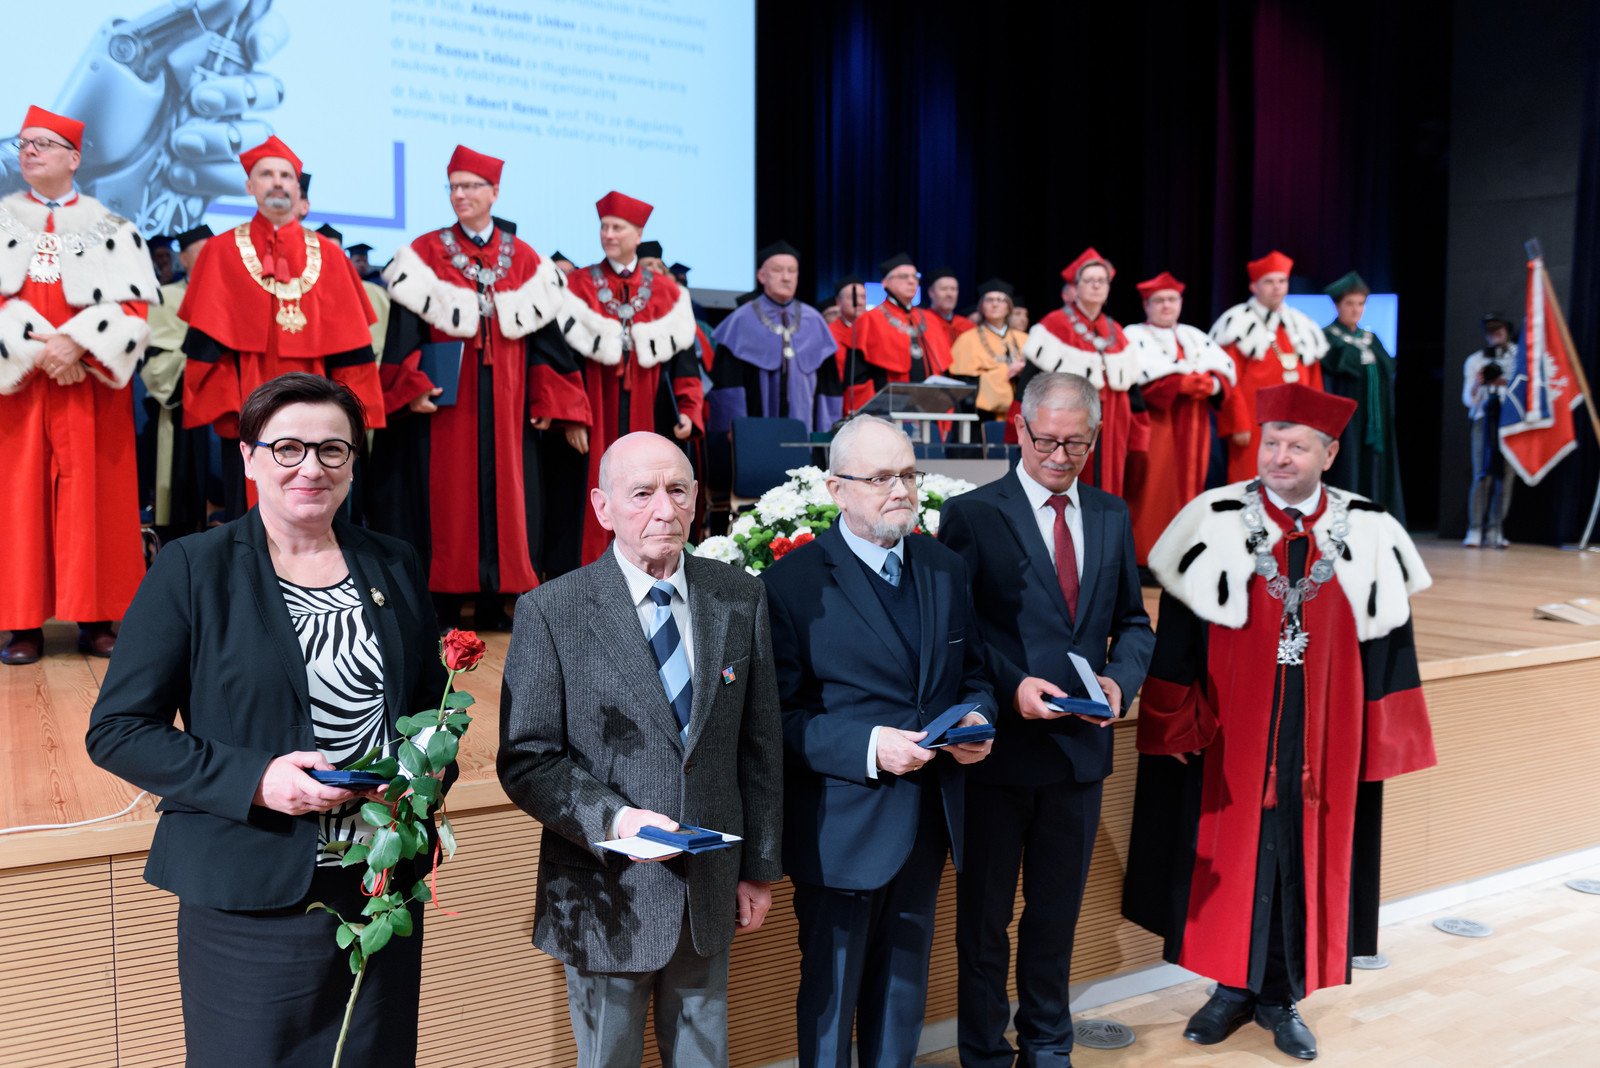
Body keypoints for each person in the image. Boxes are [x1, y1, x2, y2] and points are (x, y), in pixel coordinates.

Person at [85, 373, 451, 1066]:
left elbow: (433, 710)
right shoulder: (193, 567)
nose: (311, 468)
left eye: (332, 450)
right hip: (251, 898)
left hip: (377, 887)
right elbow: (118, 731)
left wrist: (418, 778)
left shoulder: (392, 561)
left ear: (352, 462)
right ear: (249, 458)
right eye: (287, 448)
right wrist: (258, 780)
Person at [1123, 383, 1435, 1062]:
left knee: (1301, 854)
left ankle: (1280, 996)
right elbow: (1177, 632)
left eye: (1297, 447)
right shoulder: (1213, 520)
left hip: (1326, 734)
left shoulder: (1369, 530)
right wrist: (1172, 717)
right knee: (1231, 852)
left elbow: (1391, 644)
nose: (1279, 457)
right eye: (1271, 443)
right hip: (1233, 731)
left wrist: (1384, 737)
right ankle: (1229, 988)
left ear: (1330, 453)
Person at [497, 431, 783, 1067]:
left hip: (709, 891)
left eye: (678, 490)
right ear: (602, 508)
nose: (664, 509)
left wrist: (759, 869)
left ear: (696, 498)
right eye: (642, 493)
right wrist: (618, 820)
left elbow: (760, 745)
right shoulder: (552, 610)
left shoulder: (738, 595)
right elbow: (528, 760)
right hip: (606, 895)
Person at [762, 415, 997, 1068]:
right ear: (836, 490)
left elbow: (974, 675)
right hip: (841, 831)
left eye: (908, 475)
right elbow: (778, 718)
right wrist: (870, 747)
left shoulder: (945, 567)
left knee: (902, 999)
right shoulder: (790, 586)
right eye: (881, 478)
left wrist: (977, 720)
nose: (901, 490)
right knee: (831, 1005)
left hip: (929, 821)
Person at [939, 372, 1154, 1067]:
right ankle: (983, 1053)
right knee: (984, 923)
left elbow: (1133, 622)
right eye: (1048, 441)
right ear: (1019, 430)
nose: (1060, 457)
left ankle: (1048, 1045)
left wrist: (1121, 682)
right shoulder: (973, 514)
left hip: (1079, 754)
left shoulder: (1112, 513)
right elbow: (960, 630)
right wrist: (1012, 686)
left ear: (1096, 437)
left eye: (1077, 444)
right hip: (998, 753)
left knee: (1056, 917)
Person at [365, 145, 587, 626]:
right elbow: (404, 336)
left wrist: (552, 401)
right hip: (446, 409)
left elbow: (546, 346)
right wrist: (411, 386)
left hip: (510, 411)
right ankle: (443, 599)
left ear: (494, 192)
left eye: (469, 186)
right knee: (447, 499)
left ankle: (495, 601)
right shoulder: (423, 255)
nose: (460, 195)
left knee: (511, 499)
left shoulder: (526, 261)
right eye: (453, 187)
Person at [0, 105, 158, 665]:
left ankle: (96, 618)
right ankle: (21, 623)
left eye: (42, 143)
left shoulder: (112, 227)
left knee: (96, 499)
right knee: (18, 500)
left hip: (90, 387)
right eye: (23, 144)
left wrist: (80, 345)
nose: (29, 151)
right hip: (17, 385)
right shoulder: (1, 221)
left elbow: (135, 309)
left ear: (74, 158)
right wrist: (38, 350)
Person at [180, 135, 383, 521]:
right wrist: (234, 413)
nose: (277, 182)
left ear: (297, 187)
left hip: (321, 413)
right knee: (249, 522)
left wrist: (349, 417)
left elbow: (352, 353)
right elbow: (207, 346)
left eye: (286, 175)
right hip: (248, 409)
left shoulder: (332, 256)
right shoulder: (220, 252)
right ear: (249, 186)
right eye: (267, 174)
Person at [544, 190, 705, 574]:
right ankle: (580, 588)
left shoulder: (669, 293)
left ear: (638, 233)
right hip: (591, 416)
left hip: (651, 413)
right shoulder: (575, 286)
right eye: (604, 227)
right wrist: (570, 415)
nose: (609, 234)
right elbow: (556, 359)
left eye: (617, 227)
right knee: (583, 503)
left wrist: (688, 409)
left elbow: (684, 363)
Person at [1123, 271, 1237, 565]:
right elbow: (1135, 382)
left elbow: (1224, 374)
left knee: (1191, 489)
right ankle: (1146, 557)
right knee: (1153, 490)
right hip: (1157, 427)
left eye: (1172, 299)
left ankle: (1181, 556)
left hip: (1195, 428)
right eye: (1159, 300)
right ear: (1146, 305)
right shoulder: (1133, 336)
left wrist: (1211, 385)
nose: (1166, 306)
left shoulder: (1193, 336)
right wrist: (1178, 384)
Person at [1020, 248, 1148, 495]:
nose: (1096, 286)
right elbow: (1027, 387)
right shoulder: (1053, 326)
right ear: (1075, 287)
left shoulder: (1118, 333)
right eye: (1089, 280)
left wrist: (1139, 444)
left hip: (1113, 433)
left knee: (1106, 496)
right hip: (1066, 431)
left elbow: (1135, 399)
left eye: (1102, 281)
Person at [1212, 251, 1328, 483]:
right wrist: (1237, 424)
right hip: (1254, 424)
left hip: (1298, 421)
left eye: (1282, 281)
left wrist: (1317, 421)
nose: (1277, 287)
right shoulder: (1236, 323)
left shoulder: (1303, 324)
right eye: (1269, 282)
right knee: (1249, 482)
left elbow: (1314, 379)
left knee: (1294, 480)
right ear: (1254, 286)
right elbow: (1228, 379)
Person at [708, 240, 841, 433]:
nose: (786, 277)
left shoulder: (814, 321)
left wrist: (829, 428)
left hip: (806, 429)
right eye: (778, 270)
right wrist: (734, 428)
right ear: (762, 276)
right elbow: (728, 383)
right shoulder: (741, 320)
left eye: (792, 271)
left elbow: (829, 385)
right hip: (754, 427)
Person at [139, 224, 215, 542]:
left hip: (227, 408)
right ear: (183, 258)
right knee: (181, 500)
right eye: (202, 253)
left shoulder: (231, 296)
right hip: (181, 409)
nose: (212, 258)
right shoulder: (165, 297)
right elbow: (154, 358)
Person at [1320, 272, 1404, 522]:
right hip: (1347, 424)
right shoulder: (1328, 339)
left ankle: (1379, 520)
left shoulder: (1371, 338)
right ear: (1337, 305)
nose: (1356, 310)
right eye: (1350, 304)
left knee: (1377, 467)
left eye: (1360, 304)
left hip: (1377, 424)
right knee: (1349, 466)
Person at [850, 254, 956, 411]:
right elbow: (859, 378)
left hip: (929, 409)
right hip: (886, 409)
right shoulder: (870, 319)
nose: (912, 281)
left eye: (915, 277)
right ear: (885, 282)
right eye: (903, 277)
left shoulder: (930, 319)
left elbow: (943, 371)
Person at [1462, 312, 1517, 548]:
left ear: (1507, 332)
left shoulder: (1519, 358)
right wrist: (1479, 382)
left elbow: (1526, 389)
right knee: (1482, 474)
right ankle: (1475, 528)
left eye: (1499, 332)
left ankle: (1496, 528)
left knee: (1506, 476)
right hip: (1483, 419)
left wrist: (1506, 382)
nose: (1495, 337)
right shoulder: (1476, 360)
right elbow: (1468, 400)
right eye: (1491, 333)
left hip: (1511, 421)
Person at [947, 278, 1026, 418]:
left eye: (1000, 300)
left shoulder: (1024, 339)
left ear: (1009, 307)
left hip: (1022, 412)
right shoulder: (968, 339)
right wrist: (1005, 371)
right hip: (983, 415)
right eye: (989, 300)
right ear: (981, 306)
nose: (995, 304)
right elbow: (965, 385)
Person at [829, 273, 871, 412]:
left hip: (872, 404)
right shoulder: (829, 334)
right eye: (852, 297)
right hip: (839, 405)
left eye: (863, 297)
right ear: (838, 302)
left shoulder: (875, 330)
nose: (859, 302)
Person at [921, 266, 974, 346]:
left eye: (953, 289)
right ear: (931, 292)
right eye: (944, 289)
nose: (949, 294)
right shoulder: (922, 322)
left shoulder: (967, 326)